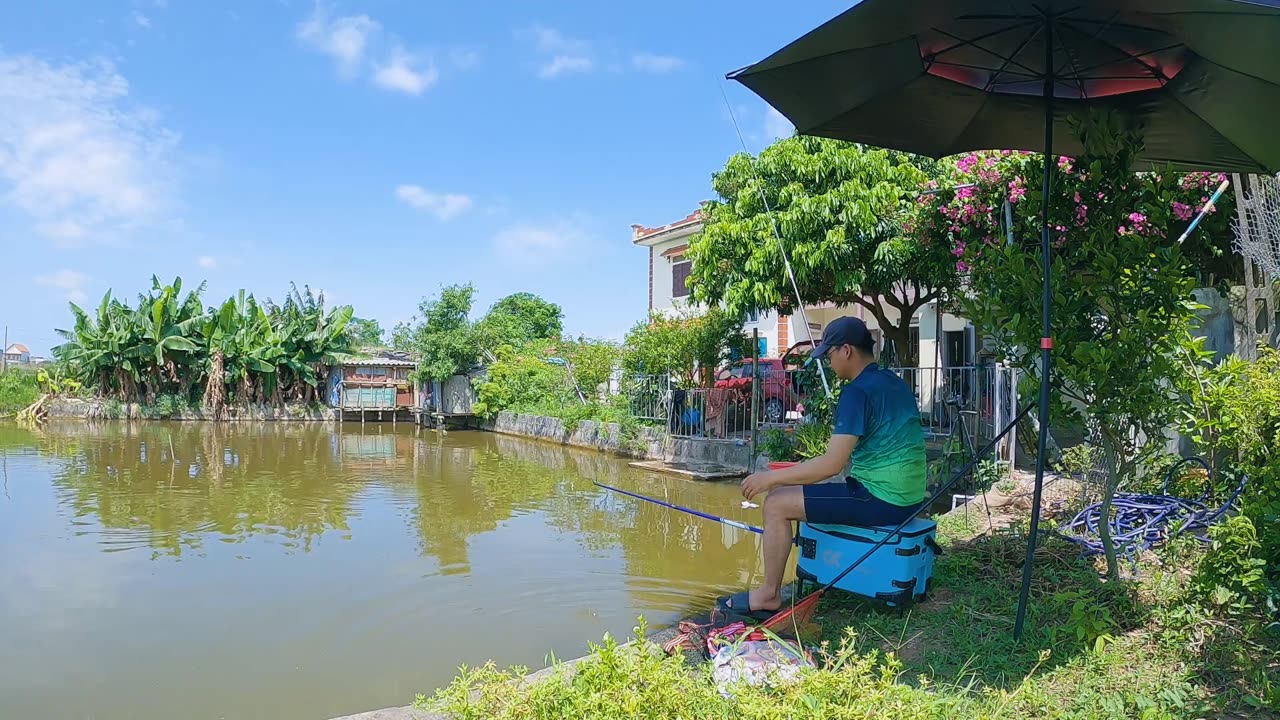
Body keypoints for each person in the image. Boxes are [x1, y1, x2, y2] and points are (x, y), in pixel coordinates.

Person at [717, 316, 928, 619]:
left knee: (776, 503)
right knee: (801, 492)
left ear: (847, 350)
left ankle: (769, 595)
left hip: (882, 499)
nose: (828, 363)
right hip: (911, 498)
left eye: (829, 355)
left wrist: (769, 479)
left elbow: (831, 464)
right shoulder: (893, 382)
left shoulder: (857, 391)